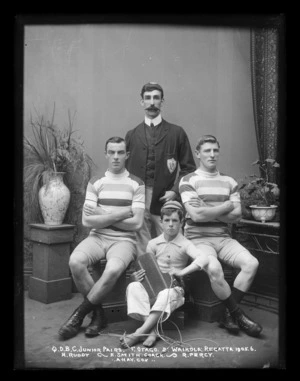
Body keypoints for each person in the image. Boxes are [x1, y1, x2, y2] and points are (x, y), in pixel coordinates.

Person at [58, 137, 145, 339]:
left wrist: (101, 213)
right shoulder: (96, 182)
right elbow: (88, 222)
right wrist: (121, 214)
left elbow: (137, 224)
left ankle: (79, 315)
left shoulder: (136, 184)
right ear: (106, 154)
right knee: (75, 261)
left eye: (120, 152)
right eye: (112, 152)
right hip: (97, 237)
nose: (116, 157)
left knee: (113, 268)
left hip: (124, 241)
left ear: (127, 155)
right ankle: (98, 314)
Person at [179, 135, 262, 337]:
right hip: (197, 239)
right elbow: (197, 216)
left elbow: (236, 216)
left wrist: (208, 207)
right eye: (207, 150)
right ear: (198, 154)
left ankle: (228, 313)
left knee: (252, 264)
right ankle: (238, 314)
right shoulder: (188, 180)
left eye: (215, 150)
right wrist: (224, 206)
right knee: (214, 268)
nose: (212, 154)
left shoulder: (229, 181)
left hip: (224, 238)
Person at [120, 201, 209, 349]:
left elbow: (204, 258)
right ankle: (152, 331)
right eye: (167, 220)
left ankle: (139, 332)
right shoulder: (153, 243)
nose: (171, 224)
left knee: (166, 294)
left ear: (181, 223)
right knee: (133, 286)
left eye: (175, 220)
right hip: (153, 287)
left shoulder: (185, 243)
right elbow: (145, 266)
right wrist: (135, 277)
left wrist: (181, 272)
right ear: (161, 222)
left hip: (174, 289)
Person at [125, 82, 196, 255]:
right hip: (139, 200)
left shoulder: (176, 133)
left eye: (156, 98)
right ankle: (148, 280)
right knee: (142, 248)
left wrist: (174, 191)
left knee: (172, 247)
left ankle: (174, 280)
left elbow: (188, 169)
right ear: (141, 102)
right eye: (147, 98)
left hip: (165, 199)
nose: (152, 102)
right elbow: (125, 173)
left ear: (162, 102)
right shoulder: (132, 135)